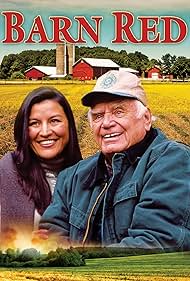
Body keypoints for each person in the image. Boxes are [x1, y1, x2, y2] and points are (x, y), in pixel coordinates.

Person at [39, 70, 190, 251]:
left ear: (146, 118)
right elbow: (47, 239)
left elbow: (154, 242)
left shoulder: (172, 161)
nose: (106, 123)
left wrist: (76, 265)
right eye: (98, 116)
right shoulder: (72, 177)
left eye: (118, 112)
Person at [0, 86, 82, 242]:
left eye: (54, 121)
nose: (45, 132)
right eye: (34, 123)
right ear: (24, 129)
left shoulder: (87, 176)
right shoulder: (5, 174)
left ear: (69, 125)